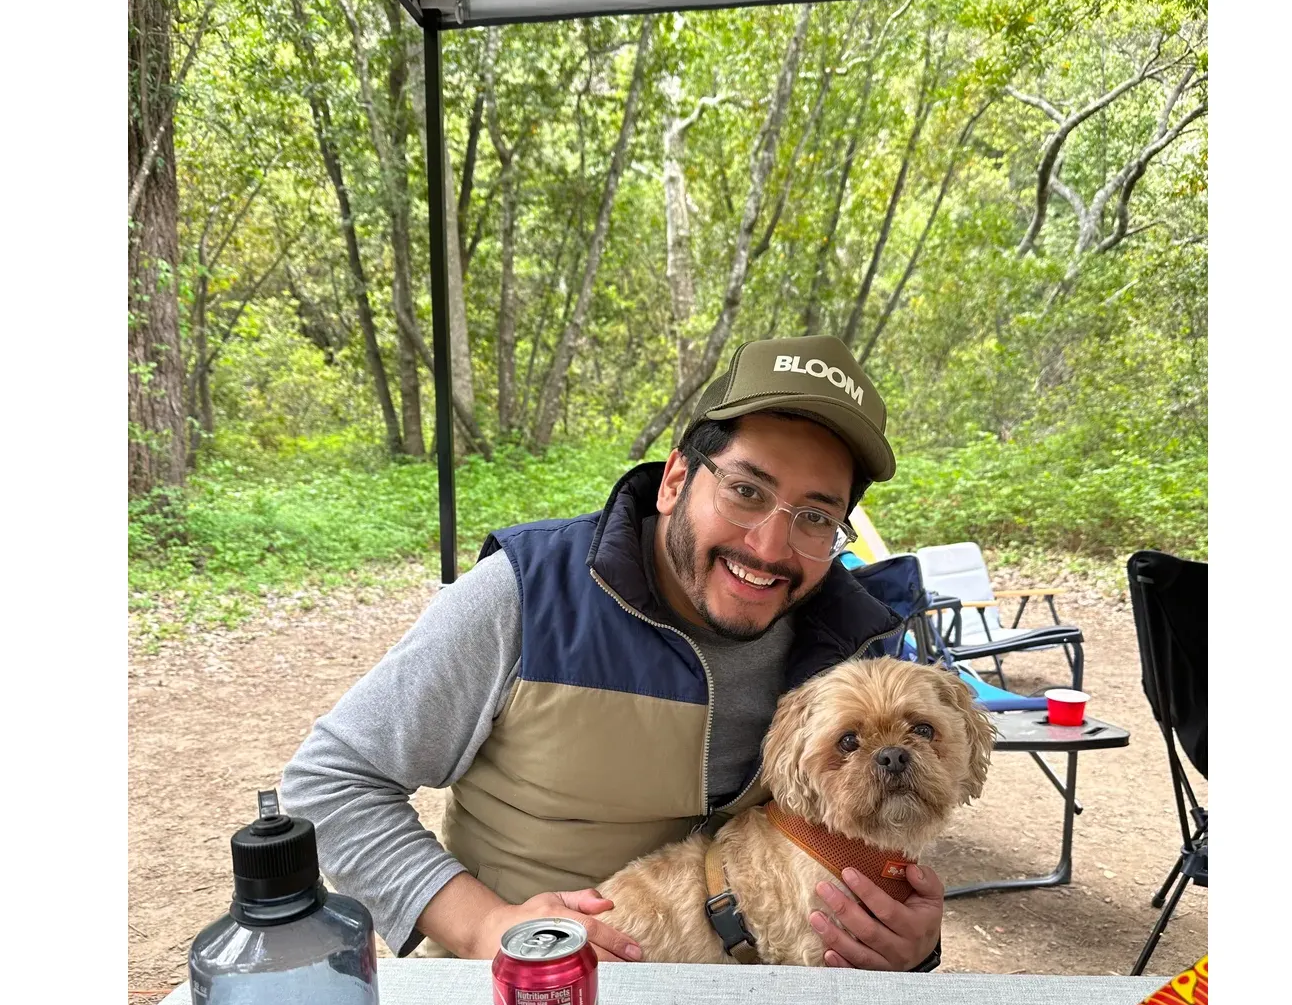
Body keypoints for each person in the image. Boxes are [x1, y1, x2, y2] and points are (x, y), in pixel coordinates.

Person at [281, 335, 944, 971]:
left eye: (815, 517)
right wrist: (482, 923)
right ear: (676, 478)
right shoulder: (528, 593)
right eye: (746, 491)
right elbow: (331, 779)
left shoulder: (855, 643)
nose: (770, 547)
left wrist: (908, 944)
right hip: (520, 991)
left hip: (752, 1001)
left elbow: (872, 837)